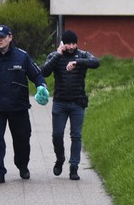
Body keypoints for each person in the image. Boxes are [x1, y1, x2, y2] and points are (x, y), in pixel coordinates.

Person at [0, 25, 48, 184]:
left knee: (22, 140)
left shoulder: (22, 57)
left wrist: (42, 86)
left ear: (10, 37)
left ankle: (22, 166)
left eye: (3, 37)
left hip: (18, 107)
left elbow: (37, 75)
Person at [41, 30, 100, 181]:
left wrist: (77, 62)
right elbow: (44, 72)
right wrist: (58, 55)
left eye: (74, 43)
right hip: (60, 103)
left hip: (77, 103)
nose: (71, 46)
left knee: (76, 136)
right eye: (68, 43)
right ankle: (60, 158)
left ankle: (74, 167)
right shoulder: (55, 56)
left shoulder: (82, 55)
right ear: (63, 43)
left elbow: (96, 62)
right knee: (57, 135)